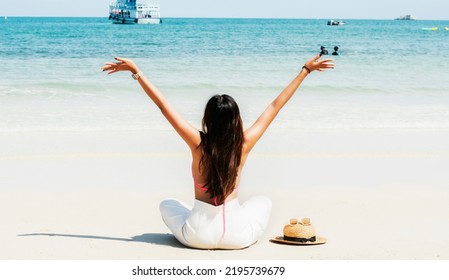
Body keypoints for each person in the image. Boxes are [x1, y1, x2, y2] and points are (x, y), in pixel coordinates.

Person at [101, 54, 335, 249]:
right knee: (263, 202)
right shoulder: (243, 143)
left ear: (208, 119)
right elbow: (275, 106)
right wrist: (306, 70)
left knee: (167, 204)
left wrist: (136, 72)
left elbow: (163, 106)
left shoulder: (198, 143)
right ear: (236, 119)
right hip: (237, 238)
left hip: (197, 236)